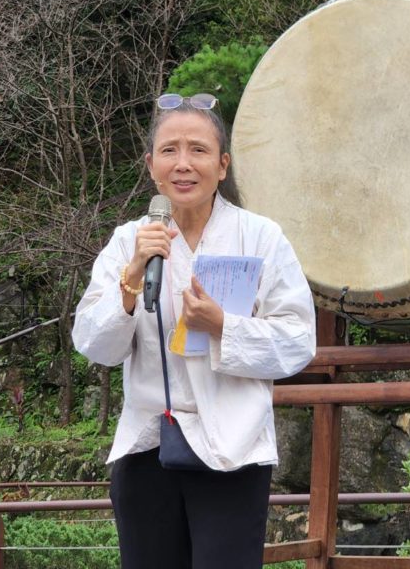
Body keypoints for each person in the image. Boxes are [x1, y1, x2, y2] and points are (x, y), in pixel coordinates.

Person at [72, 92, 316, 569]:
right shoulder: (129, 240)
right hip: (147, 446)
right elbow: (93, 344)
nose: (183, 164)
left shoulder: (261, 237)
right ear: (151, 166)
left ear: (223, 166)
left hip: (233, 448)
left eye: (198, 150)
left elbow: (298, 341)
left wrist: (223, 326)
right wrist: (132, 278)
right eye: (169, 150)